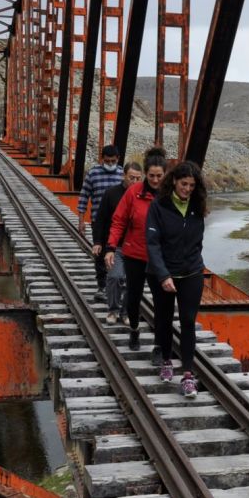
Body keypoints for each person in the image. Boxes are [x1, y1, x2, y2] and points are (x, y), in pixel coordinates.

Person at [145, 160, 208, 397]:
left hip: (191, 272)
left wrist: (193, 264)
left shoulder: (197, 206)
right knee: (163, 319)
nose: (188, 189)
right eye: (184, 184)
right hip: (162, 273)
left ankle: (188, 375)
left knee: (188, 321)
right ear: (173, 181)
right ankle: (167, 361)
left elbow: (197, 241)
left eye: (192, 185)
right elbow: (152, 244)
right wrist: (163, 275)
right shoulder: (158, 206)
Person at [104, 148, 168, 351]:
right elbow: (119, 221)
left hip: (160, 257)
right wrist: (111, 247)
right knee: (133, 297)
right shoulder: (134, 192)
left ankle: (159, 345)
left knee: (162, 302)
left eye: (159, 176)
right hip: (135, 254)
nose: (156, 180)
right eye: (152, 176)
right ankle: (134, 329)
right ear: (145, 174)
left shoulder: (169, 195)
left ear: (165, 174)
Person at [93, 161, 143, 324]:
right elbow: (100, 219)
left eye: (138, 178)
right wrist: (99, 242)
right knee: (114, 277)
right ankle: (113, 310)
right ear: (123, 176)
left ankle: (126, 312)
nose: (134, 182)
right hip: (117, 246)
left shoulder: (143, 196)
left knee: (131, 281)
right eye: (131, 178)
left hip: (135, 246)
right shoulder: (111, 194)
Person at [78, 144, 123, 302]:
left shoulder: (122, 174)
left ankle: (116, 284)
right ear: (102, 159)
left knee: (118, 253)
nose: (110, 164)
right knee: (100, 255)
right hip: (98, 222)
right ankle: (102, 286)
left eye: (113, 161)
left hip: (119, 223)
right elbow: (84, 196)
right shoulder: (93, 173)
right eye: (107, 161)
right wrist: (81, 220)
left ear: (118, 159)